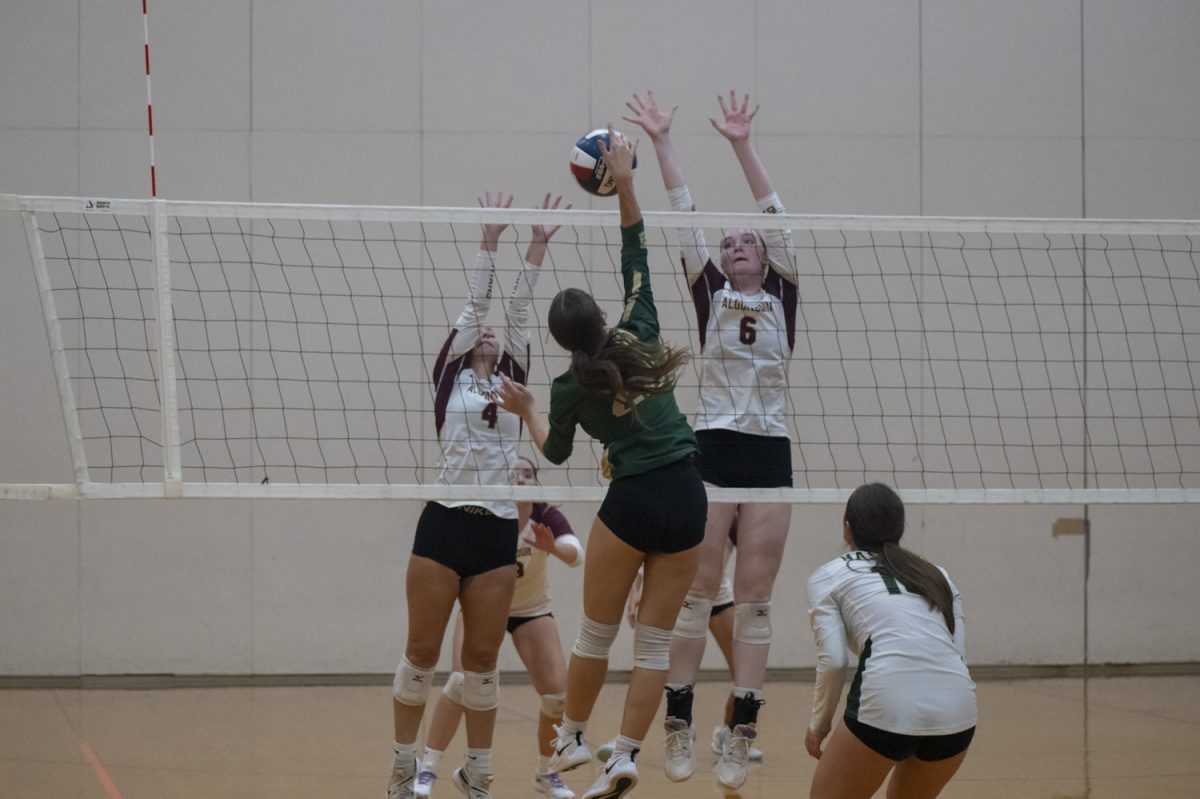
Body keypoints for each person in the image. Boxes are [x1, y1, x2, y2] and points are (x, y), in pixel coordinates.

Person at [496, 125, 707, 799]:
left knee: (595, 633)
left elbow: (552, 452)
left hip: (635, 498)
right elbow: (635, 244)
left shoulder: (566, 388)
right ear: (602, 316)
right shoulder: (640, 326)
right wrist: (628, 179)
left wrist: (529, 406)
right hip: (689, 495)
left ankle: (575, 737)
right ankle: (628, 753)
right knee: (654, 644)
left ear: (561, 340)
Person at [624, 89, 797, 792]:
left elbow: (778, 216)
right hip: (713, 446)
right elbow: (684, 218)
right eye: (730, 244)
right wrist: (664, 143)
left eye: (747, 240)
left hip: (770, 450)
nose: (738, 244)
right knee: (698, 592)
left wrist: (741, 143)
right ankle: (681, 721)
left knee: (754, 600)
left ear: (765, 256)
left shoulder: (784, 294)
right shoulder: (711, 295)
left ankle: (741, 729)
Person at [386, 192, 568, 799]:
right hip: (442, 523)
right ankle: (403, 765)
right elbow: (477, 306)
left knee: (482, 665)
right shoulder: (450, 377)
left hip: (494, 531)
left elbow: (516, 311)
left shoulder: (514, 379)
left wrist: (536, 248)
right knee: (421, 654)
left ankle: (480, 772)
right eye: (479, 332)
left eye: (495, 334)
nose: (490, 331)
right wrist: (487, 242)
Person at [414, 455, 584, 799]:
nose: (521, 479)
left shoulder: (545, 513)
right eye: (514, 473)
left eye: (527, 474)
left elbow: (576, 553)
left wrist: (555, 547)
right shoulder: (489, 513)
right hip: (481, 605)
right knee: (462, 682)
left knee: (557, 697)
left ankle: (544, 774)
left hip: (530, 610)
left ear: (537, 483)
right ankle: (428, 766)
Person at [806, 483, 976, 799]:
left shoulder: (830, 575)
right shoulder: (937, 574)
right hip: (956, 710)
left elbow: (834, 661)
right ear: (899, 529)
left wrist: (819, 725)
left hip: (887, 703)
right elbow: (957, 653)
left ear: (847, 529)